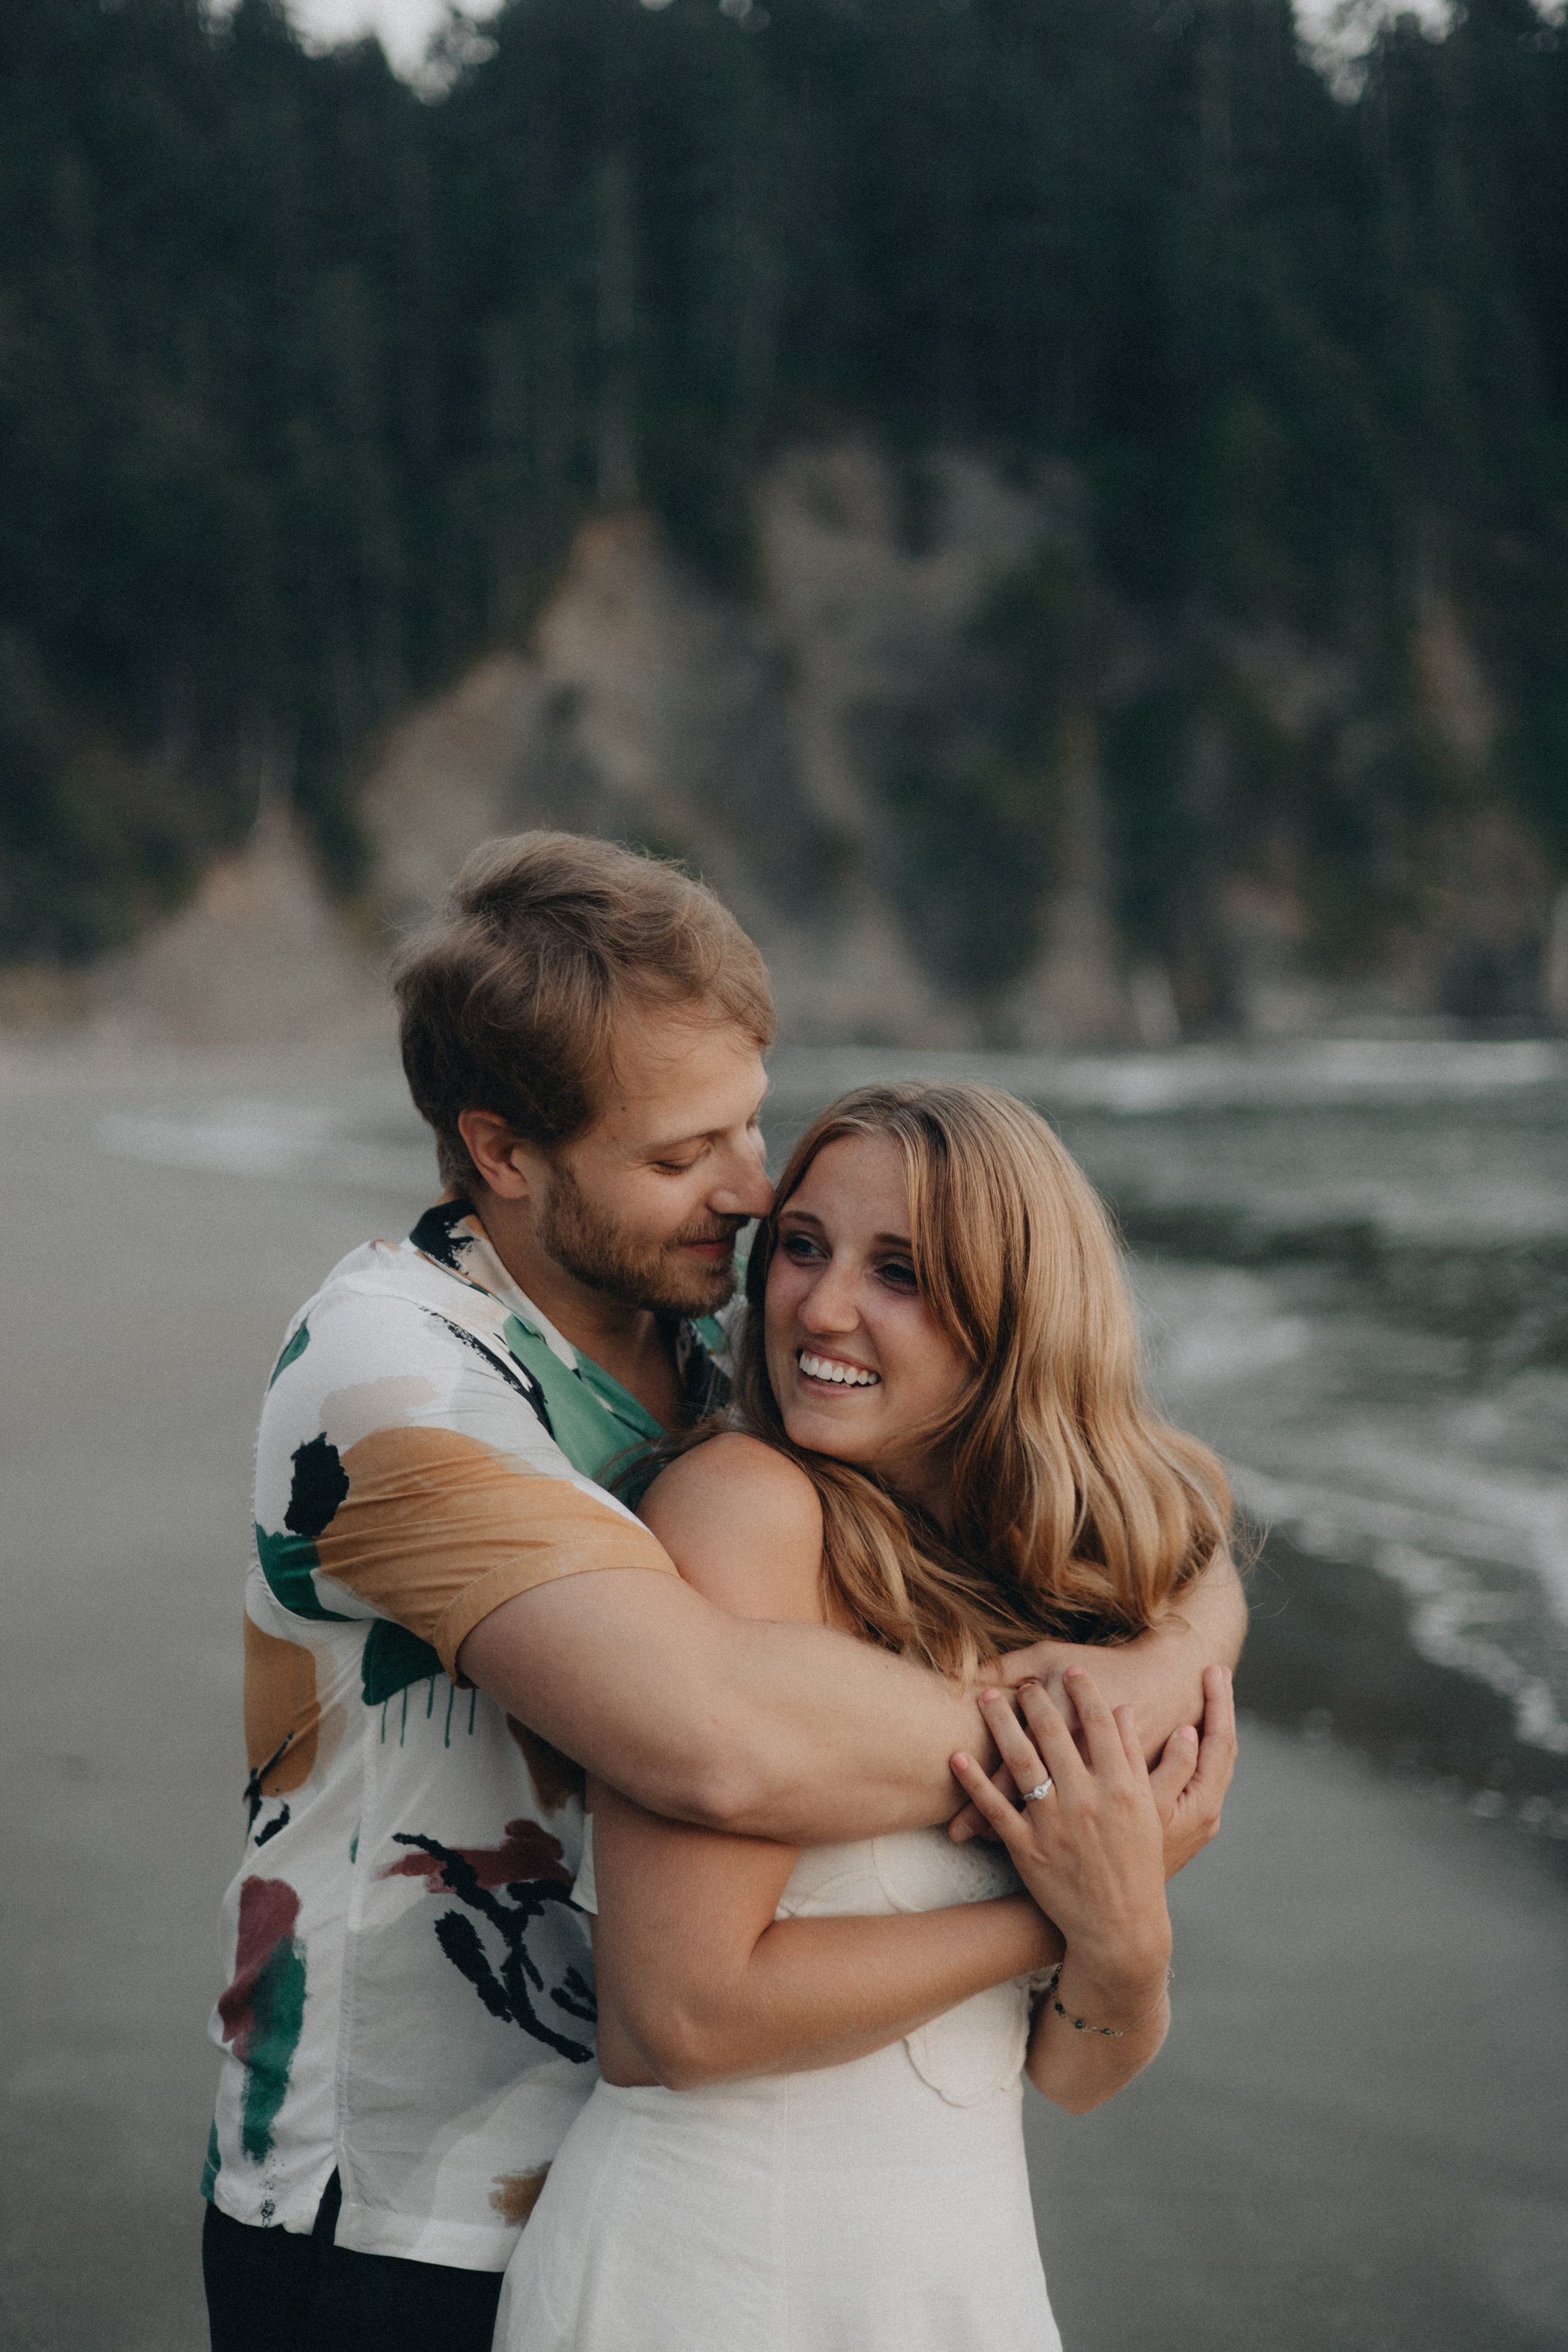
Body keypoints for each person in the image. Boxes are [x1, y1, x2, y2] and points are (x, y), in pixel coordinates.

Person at [202, 832, 1245, 2352]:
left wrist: (1169, 1655)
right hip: (396, 2201)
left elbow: (1151, 1524)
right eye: (681, 1156)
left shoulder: (707, 1358)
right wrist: (1086, 1811)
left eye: (749, 1125)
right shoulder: (395, 1385)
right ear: (503, 1151)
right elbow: (716, 1735)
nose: (752, 1196)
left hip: (659, 2174)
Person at [493, 1080, 1235, 2350]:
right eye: (801, 1247)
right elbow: (679, 2018)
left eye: (899, 1272)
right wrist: (1072, 1912)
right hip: (711, 2280)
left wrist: (1124, 1950)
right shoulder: (746, 1508)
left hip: (959, 2283)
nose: (821, 1307)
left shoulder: (1062, 1587)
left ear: (1017, 1312)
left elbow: (1072, 2073)